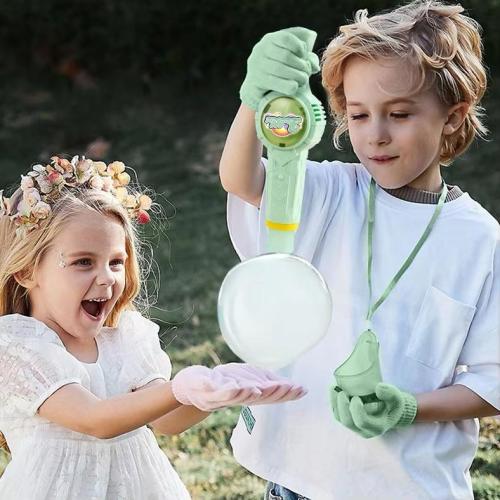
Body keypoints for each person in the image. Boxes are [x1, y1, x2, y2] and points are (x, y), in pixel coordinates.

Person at [218, 1, 500, 499]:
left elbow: (491, 383)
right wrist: (255, 97)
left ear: (453, 117)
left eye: (400, 114)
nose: (376, 135)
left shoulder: (479, 240)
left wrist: (408, 408)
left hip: (406, 488)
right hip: (297, 480)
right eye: (359, 115)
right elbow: (244, 180)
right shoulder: (332, 191)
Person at [0, 155, 307, 499]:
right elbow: (94, 419)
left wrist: (212, 390)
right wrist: (180, 388)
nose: (107, 278)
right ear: (27, 272)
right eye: (83, 262)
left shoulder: (124, 337)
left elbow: (167, 420)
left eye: (116, 262)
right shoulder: (18, 348)